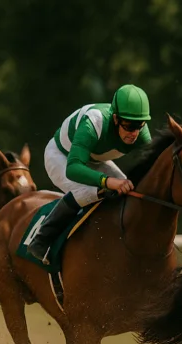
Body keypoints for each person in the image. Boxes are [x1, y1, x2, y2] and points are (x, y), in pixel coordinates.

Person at [27, 84, 152, 263]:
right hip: (61, 156)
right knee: (89, 192)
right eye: (129, 125)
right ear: (115, 119)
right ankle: (41, 240)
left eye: (139, 125)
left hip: (94, 159)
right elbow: (73, 168)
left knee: (126, 188)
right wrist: (107, 181)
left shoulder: (139, 131)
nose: (134, 133)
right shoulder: (94, 122)